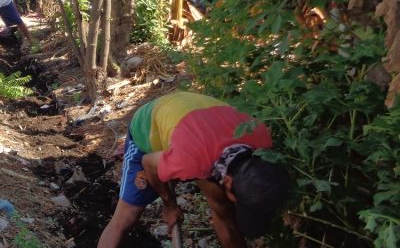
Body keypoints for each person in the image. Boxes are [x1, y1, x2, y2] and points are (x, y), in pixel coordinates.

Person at [98, 91, 290, 248]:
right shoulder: (191, 160)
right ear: (228, 181)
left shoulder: (262, 137)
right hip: (149, 125)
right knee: (126, 217)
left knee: (223, 208)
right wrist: (170, 206)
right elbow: (149, 163)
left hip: (194, 120)